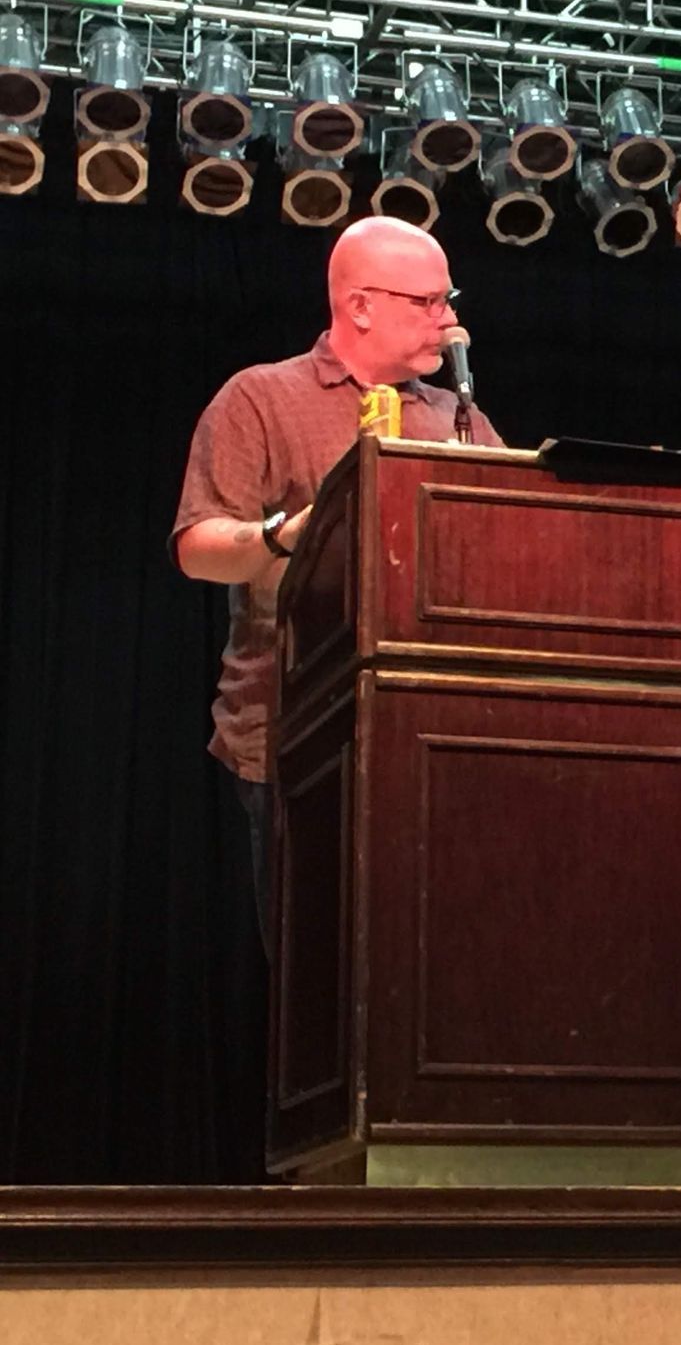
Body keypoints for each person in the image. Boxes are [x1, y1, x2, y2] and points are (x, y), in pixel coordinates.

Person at [170, 216, 504, 942]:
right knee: (315, 975)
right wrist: (288, 535)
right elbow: (198, 546)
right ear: (360, 306)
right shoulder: (261, 398)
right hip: (297, 732)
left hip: (432, 735)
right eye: (428, 303)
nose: (450, 321)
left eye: (450, 300)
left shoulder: (461, 419)